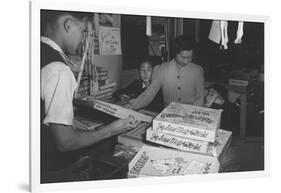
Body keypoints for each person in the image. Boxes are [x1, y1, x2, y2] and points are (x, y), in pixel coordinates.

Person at [40, 10, 137, 174]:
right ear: (68, 25)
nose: (84, 38)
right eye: (84, 30)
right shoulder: (59, 70)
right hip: (52, 168)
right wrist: (113, 129)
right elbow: (65, 142)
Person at [127, 35, 205, 110]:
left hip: (191, 114)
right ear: (175, 53)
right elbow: (149, 94)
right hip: (169, 114)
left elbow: (200, 99)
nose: (186, 61)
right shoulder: (161, 69)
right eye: (183, 57)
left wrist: (188, 113)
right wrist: (134, 105)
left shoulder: (198, 70)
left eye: (190, 57)